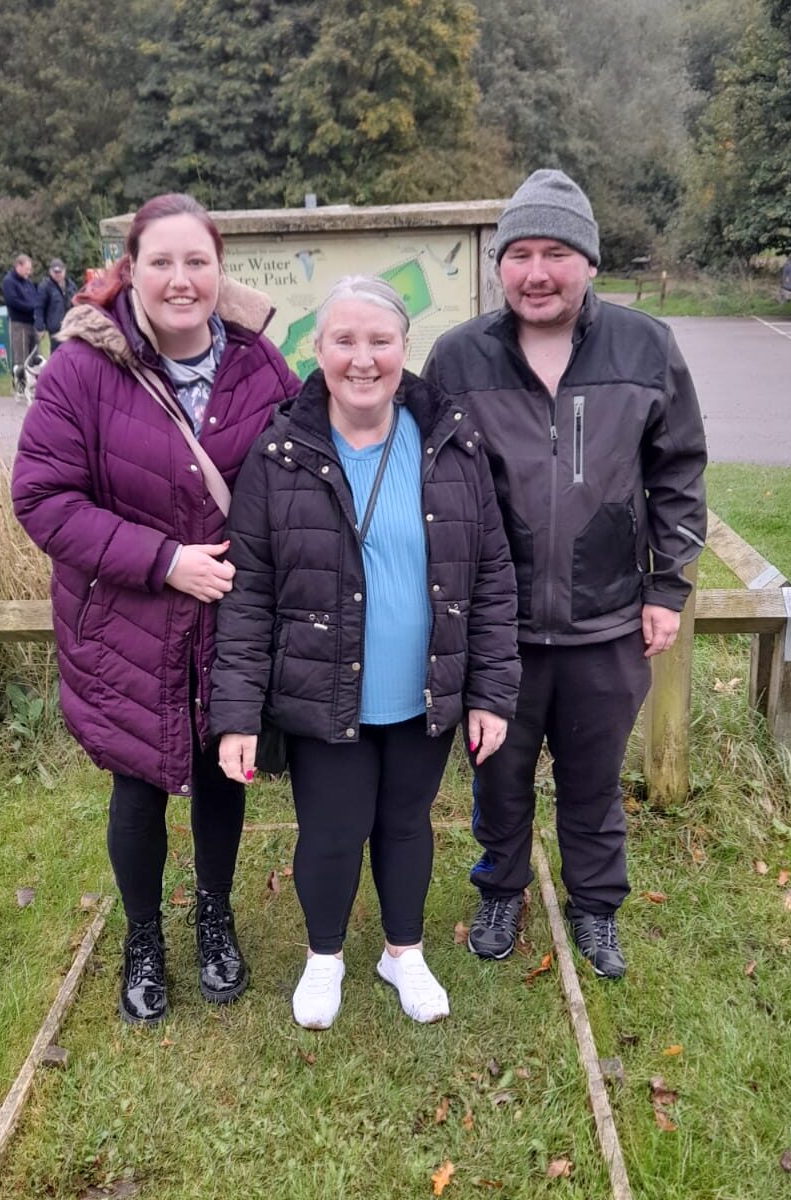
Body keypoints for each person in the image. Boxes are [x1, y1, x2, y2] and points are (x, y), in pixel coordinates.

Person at [12, 193, 301, 1025]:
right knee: (137, 784)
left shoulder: (260, 365)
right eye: (161, 262)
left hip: (229, 623)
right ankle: (144, 934)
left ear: (219, 270)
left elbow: (293, 472)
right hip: (125, 625)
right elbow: (42, 498)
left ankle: (215, 915)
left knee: (223, 768)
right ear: (130, 270)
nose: (181, 279)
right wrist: (163, 560)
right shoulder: (82, 370)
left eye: (197, 261)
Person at [210, 276, 520, 1030]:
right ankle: (325, 958)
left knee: (409, 825)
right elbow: (247, 595)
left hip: (424, 692)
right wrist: (236, 715)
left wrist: (490, 694)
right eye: (343, 340)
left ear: (403, 349)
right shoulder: (279, 454)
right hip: (323, 691)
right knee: (333, 829)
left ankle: (402, 952)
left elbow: (491, 576)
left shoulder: (452, 441)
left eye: (379, 341)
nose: (362, 358)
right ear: (317, 351)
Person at [423, 170, 707, 979]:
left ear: (587, 260)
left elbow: (679, 468)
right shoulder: (458, 357)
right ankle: (501, 889)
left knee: (593, 780)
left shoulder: (645, 347)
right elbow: (433, 483)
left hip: (607, 620)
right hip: (497, 627)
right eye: (519, 254)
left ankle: (595, 908)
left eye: (555, 252)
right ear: (500, 265)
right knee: (498, 775)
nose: (536, 272)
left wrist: (668, 584)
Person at [1, 253, 39, 380]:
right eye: (27, 269)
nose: (29, 272)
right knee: (22, 358)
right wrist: (32, 308)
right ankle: (20, 387)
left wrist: (37, 308)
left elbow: (35, 297)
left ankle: (33, 386)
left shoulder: (28, 282)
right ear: (19, 266)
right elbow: (13, 301)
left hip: (32, 323)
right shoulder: (9, 281)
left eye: (30, 269)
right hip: (19, 324)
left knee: (35, 355)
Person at [35, 258, 77, 352]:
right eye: (55, 272)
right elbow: (39, 307)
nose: (58, 274)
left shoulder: (71, 285)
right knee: (57, 353)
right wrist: (39, 327)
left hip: (71, 326)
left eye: (60, 271)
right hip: (55, 328)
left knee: (72, 352)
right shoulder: (45, 286)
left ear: (64, 270)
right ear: (50, 271)